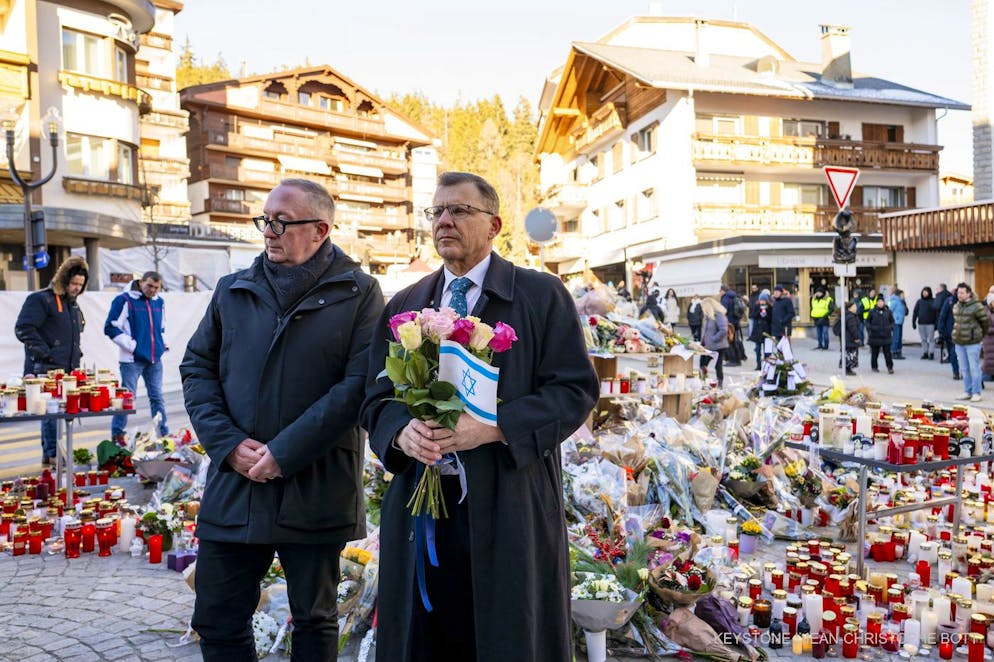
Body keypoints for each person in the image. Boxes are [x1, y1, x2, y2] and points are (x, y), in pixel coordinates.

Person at [360, 172, 599, 662]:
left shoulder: (540, 295)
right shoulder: (407, 303)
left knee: (505, 635)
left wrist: (492, 428)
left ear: (494, 225)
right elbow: (374, 397)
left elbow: (574, 391)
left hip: (508, 502)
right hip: (421, 508)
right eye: (437, 212)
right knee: (424, 638)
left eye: (459, 211)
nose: (444, 220)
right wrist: (401, 432)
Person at [180, 179, 384, 660]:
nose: (268, 232)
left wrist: (284, 453)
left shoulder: (360, 292)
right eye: (265, 220)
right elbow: (197, 368)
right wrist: (228, 443)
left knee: (314, 622)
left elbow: (358, 385)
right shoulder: (234, 289)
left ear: (320, 230)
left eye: (281, 222)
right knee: (217, 618)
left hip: (315, 487)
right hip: (237, 485)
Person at [14, 256, 89, 465]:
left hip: (66, 369)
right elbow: (23, 328)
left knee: (57, 413)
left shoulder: (72, 306)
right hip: (46, 367)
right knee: (51, 412)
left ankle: (51, 453)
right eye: (74, 283)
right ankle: (54, 453)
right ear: (64, 280)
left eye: (80, 285)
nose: (76, 288)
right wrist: (46, 353)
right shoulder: (41, 299)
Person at [104, 271, 168, 443]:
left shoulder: (159, 302)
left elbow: (161, 328)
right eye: (149, 286)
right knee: (127, 398)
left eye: (156, 287)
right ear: (141, 282)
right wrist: (133, 346)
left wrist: (163, 344)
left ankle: (163, 434)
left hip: (154, 358)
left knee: (157, 397)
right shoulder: (124, 300)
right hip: (131, 360)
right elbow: (110, 327)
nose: (153, 290)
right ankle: (117, 435)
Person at [952, 282, 990, 402]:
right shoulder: (957, 306)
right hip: (959, 342)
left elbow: (985, 322)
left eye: (962, 293)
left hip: (973, 342)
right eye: (958, 292)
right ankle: (967, 391)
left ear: (969, 293)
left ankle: (976, 392)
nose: (960, 295)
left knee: (974, 368)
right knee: (964, 368)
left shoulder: (977, 306)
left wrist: (979, 336)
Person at [699, 297, 730, 387]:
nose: (702, 310)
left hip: (718, 346)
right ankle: (703, 382)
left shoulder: (719, 315)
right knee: (702, 365)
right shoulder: (707, 317)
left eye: (703, 307)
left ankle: (720, 384)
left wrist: (713, 339)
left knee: (718, 366)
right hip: (707, 346)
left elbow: (723, 330)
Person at [867, 297, 895, 374]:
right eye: (878, 301)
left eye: (881, 301)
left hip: (886, 336)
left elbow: (892, 322)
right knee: (874, 353)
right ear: (876, 303)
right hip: (875, 336)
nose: (880, 303)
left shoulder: (888, 312)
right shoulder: (872, 312)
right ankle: (874, 367)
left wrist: (889, 328)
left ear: (884, 302)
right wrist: (872, 328)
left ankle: (890, 367)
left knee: (888, 353)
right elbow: (867, 322)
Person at [833, 301, 861, 375]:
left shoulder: (846, 315)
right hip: (849, 339)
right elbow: (853, 328)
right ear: (849, 308)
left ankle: (847, 368)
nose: (856, 308)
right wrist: (856, 337)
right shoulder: (851, 317)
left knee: (847, 353)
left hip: (846, 339)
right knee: (850, 354)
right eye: (854, 306)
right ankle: (848, 369)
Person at [937, 293, 961, 380]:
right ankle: (956, 372)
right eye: (960, 293)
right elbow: (942, 316)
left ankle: (964, 373)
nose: (961, 295)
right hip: (951, 333)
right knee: (953, 354)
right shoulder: (949, 301)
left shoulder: (969, 302)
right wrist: (941, 331)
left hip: (965, 334)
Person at [912, 286, 938, 360]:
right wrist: (913, 321)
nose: (924, 293)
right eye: (923, 292)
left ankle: (931, 353)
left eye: (926, 292)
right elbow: (915, 312)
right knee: (923, 339)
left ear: (929, 293)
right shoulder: (919, 301)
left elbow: (936, 313)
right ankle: (925, 352)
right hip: (921, 323)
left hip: (931, 323)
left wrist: (936, 323)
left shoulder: (933, 301)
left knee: (931, 339)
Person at [749, 291, 773, 370]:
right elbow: (752, 315)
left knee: (767, 350)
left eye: (764, 300)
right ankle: (758, 365)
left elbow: (770, 318)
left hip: (766, 331)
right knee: (758, 350)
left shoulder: (770, 307)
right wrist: (759, 311)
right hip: (758, 331)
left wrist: (765, 314)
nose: (762, 301)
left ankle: (767, 365)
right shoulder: (756, 306)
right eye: (761, 300)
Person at [888, 288, 909, 359]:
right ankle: (893, 352)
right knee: (896, 338)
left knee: (899, 338)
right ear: (899, 295)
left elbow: (905, 312)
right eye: (903, 294)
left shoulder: (902, 302)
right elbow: (889, 311)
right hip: (896, 322)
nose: (904, 296)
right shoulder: (895, 301)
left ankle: (898, 352)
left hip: (900, 321)